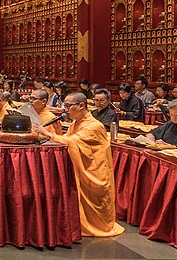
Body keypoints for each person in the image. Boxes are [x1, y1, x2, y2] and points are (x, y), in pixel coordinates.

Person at [28, 92, 123, 238]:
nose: (64, 110)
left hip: (94, 172)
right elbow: (69, 138)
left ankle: (99, 225)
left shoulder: (94, 126)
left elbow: (72, 142)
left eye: (67, 106)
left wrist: (48, 134)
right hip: (84, 169)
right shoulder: (77, 123)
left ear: (81, 105)